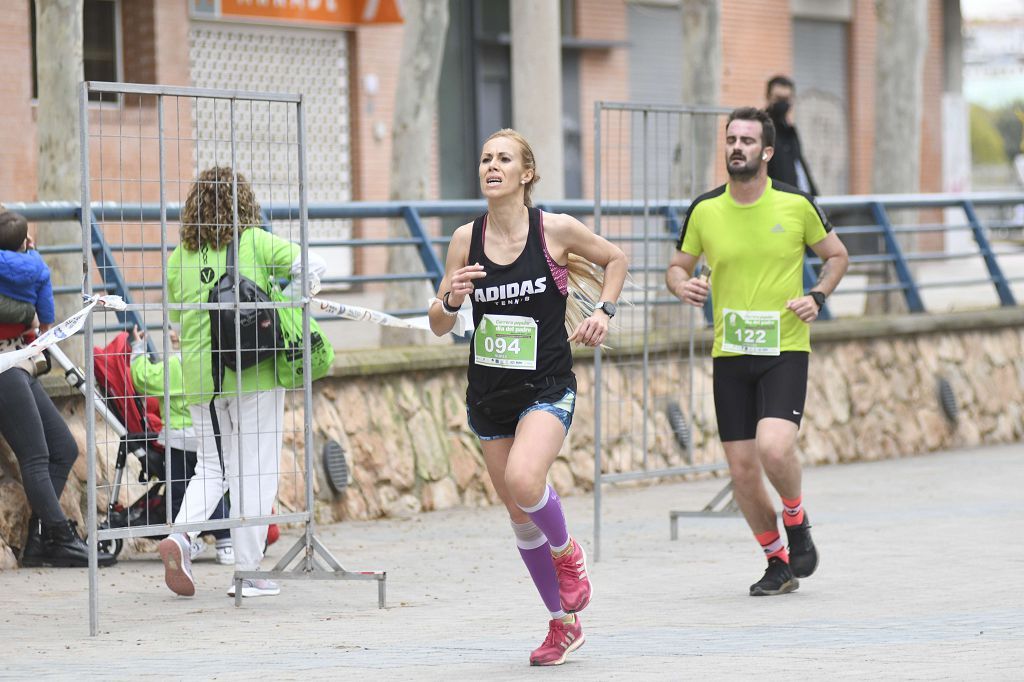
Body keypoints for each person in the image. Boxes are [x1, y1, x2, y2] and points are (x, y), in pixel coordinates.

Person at [429, 129, 627, 666]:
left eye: (504, 159)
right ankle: (563, 626)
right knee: (519, 517)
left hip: (546, 386)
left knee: (524, 479)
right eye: (485, 158)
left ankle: (569, 555)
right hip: (489, 394)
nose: (492, 166)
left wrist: (602, 312)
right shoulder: (464, 240)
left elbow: (615, 259)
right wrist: (451, 298)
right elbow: (438, 323)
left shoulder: (554, 230)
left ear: (526, 173)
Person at [665, 107, 849, 596]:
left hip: (785, 347)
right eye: (731, 139)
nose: (737, 147)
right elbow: (677, 266)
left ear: (766, 151)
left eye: (747, 140)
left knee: (773, 446)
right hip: (730, 353)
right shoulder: (705, 209)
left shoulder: (795, 204)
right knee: (743, 471)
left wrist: (817, 297)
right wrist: (682, 287)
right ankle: (777, 562)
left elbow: (836, 256)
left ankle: (796, 515)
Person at [157, 166, 325, 598]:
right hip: (253, 372)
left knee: (211, 467)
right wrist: (287, 300)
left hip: (199, 378)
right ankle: (249, 572)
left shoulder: (180, 257)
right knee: (256, 469)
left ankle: (182, 536)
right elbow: (312, 264)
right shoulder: (255, 241)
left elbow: (177, 319)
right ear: (244, 203)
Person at [0, 210, 116, 568]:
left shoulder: (17, 266)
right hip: (5, 367)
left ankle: (41, 538)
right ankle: (59, 536)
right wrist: (29, 314)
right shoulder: (25, 268)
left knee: (63, 447)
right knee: (35, 457)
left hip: (21, 359)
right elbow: (37, 312)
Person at [130, 324, 233, 565]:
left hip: (177, 443)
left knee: (178, 493)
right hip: (205, 439)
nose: (171, 334)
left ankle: (187, 538)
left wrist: (138, 349)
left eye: (175, 330)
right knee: (212, 490)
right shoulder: (209, 362)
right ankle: (225, 541)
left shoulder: (173, 366)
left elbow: (142, 378)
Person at [765, 75, 818, 196]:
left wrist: (814, 195)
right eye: (778, 98)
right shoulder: (760, 130)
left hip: (798, 200)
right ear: (768, 97)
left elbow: (800, 167)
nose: (783, 104)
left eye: (786, 99)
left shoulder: (790, 131)